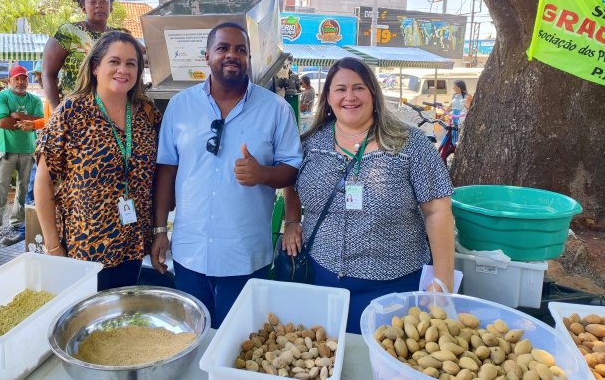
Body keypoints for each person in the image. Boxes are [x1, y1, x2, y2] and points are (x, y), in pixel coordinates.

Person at [281, 57, 455, 334]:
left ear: (373, 93)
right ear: (328, 96)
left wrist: (442, 281)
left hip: (392, 289)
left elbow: (438, 212)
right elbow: (290, 180)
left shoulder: (409, 144)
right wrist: (292, 222)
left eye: (358, 88)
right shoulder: (310, 144)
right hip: (320, 280)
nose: (349, 97)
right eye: (340, 89)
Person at [151, 22, 303, 328]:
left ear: (249, 58)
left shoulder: (276, 109)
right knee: (193, 336)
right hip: (189, 252)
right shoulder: (180, 106)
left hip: (245, 255)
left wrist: (262, 174)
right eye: (223, 48)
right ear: (207, 56)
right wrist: (158, 231)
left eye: (240, 49)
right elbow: (167, 170)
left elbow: (292, 171)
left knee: (239, 343)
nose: (231, 55)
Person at [35, 31, 161, 291]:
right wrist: (53, 246)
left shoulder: (147, 114)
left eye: (131, 63)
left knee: (120, 319)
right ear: (95, 67)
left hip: (132, 246)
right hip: (85, 250)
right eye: (114, 62)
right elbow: (43, 183)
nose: (122, 70)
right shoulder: (71, 112)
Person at [0, 65, 43, 240]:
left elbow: (41, 121)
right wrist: (28, 121)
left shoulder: (35, 100)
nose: (21, 82)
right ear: (9, 81)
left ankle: (19, 223)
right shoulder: (1, 97)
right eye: (16, 78)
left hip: (29, 151)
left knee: (24, 191)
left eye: (24, 78)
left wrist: (17, 116)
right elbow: (2, 123)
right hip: (6, 150)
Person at [42, 0, 119, 109]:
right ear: (83, 8)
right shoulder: (68, 32)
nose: (98, 6)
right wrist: (56, 112)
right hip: (74, 111)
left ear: (110, 7)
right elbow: (48, 73)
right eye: (92, 2)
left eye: (103, 2)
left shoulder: (120, 36)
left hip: (112, 111)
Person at [5, 59, 51, 246]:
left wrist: (32, 121)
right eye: (38, 76)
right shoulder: (50, 94)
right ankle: (28, 232)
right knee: (33, 193)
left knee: (34, 192)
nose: (38, 79)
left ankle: (32, 234)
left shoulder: (62, 94)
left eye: (40, 75)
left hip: (53, 151)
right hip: (46, 149)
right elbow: (48, 120)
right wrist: (34, 123)